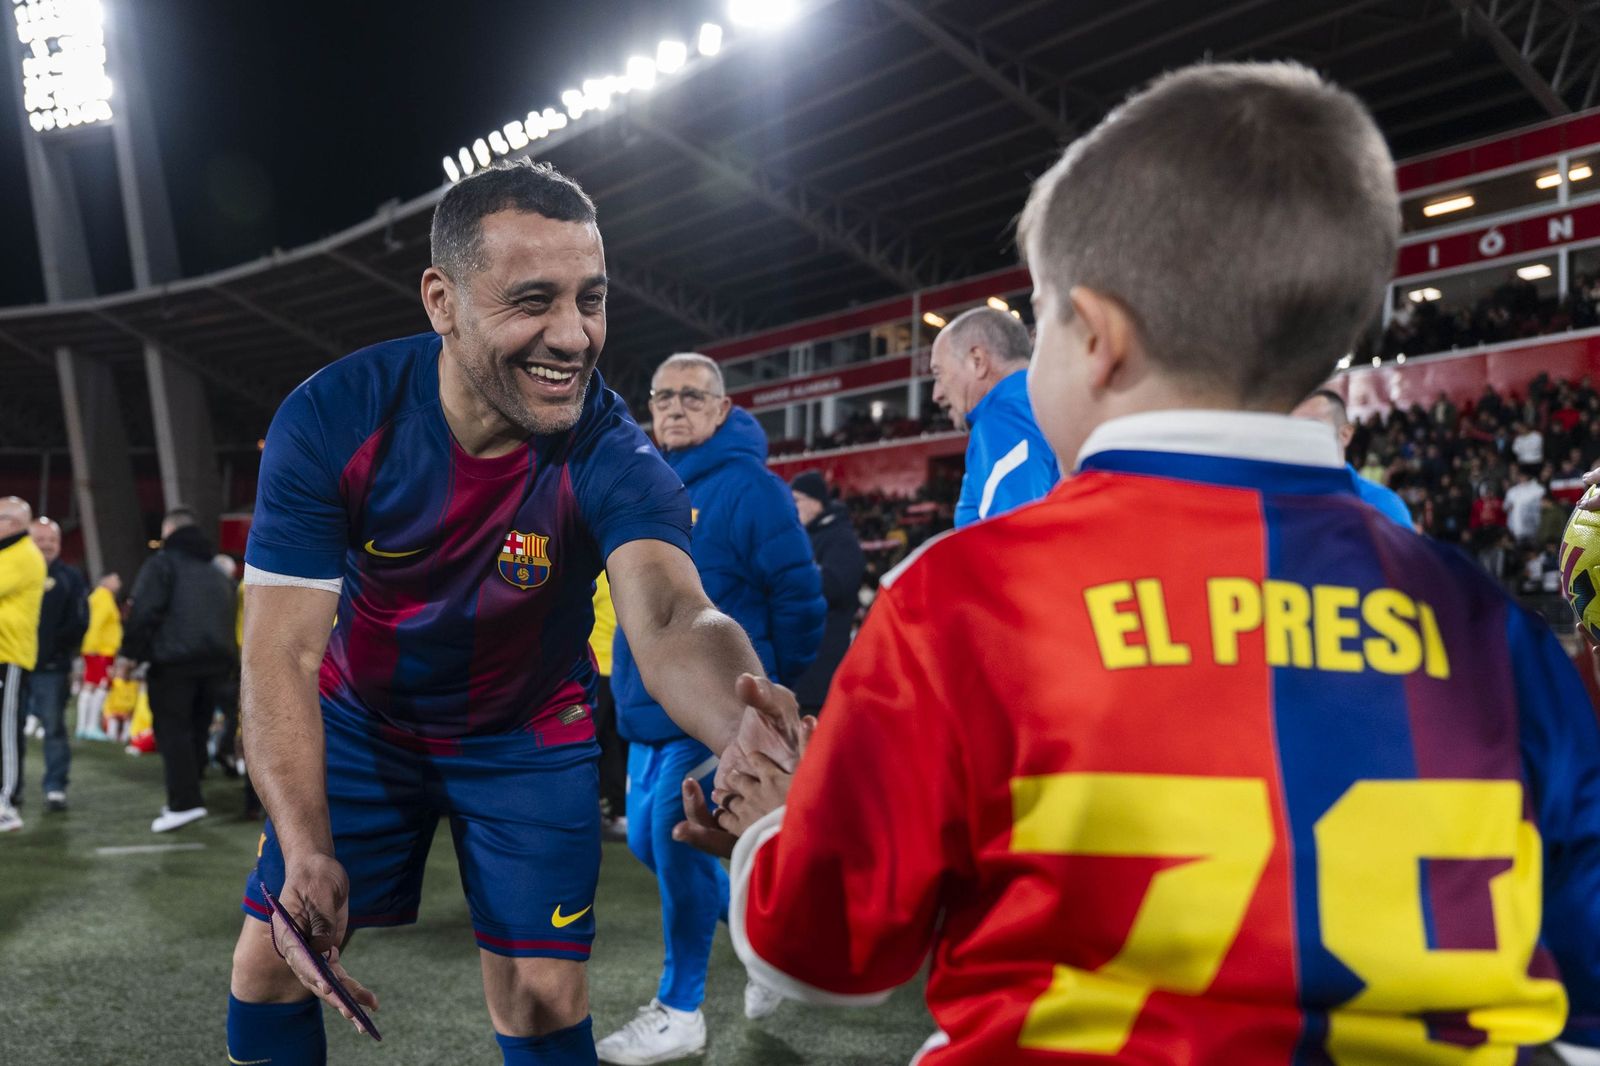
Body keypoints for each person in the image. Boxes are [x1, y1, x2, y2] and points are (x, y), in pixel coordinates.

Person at [681, 62, 1600, 1063]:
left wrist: (775, 823)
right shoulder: (1490, 628)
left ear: (1101, 338)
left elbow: (823, 949)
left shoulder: (962, 598)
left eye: (1042, 323)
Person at [227, 160, 785, 1066]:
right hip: (364, 723)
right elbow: (279, 653)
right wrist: (305, 842)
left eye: (591, 299)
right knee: (272, 964)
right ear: (442, 300)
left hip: (528, 735)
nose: (573, 336)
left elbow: (677, 615)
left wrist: (747, 728)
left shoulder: (615, 451)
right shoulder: (333, 418)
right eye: (534, 300)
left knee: (541, 992)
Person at [599, 353, 824, 1063]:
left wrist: (764, 688)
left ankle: (682, 1008)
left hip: (712, 713)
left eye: (692, 396)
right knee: (649, 842)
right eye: (662, 395)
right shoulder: (648, 485)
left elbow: (802, 599)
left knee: (673, 845)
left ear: (723, 409)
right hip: (645, 709)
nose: (673, 407)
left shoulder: (752, 489)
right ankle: (772, 941)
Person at [117, 508, 238, 832]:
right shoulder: (216, 571)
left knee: (173, 733)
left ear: (168, 531)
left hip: (174, 663)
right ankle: (191, 791)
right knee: (198, 729)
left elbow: (144, 611)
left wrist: (130, 655)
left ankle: (184, 803)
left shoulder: (163, 564)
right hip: (217, 663)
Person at [929, 306, 1059, 526]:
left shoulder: (1002, 419)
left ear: (977, 361)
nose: (937, 394)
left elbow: (1018, 542)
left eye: (938, 374)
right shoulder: (1048, 405)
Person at [787, 471, 865, 715]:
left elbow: (837, 586)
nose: (792, 507)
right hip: (799, 668)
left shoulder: (840, 538)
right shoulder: (802, 537)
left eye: (797, 500)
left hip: (822, 669)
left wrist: (790, 574)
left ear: (816, 502)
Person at [24, 517, 88, 813]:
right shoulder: (13, 571)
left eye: (52, 540)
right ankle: (8, 789)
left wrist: (51, 649)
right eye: (41, 539)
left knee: (53, 727)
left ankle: (55, 788)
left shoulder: (70, 577)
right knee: (6, 730)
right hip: (13, 665)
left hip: (51, 668)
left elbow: (80, 621)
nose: (47, 545)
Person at [1292, 389, 1414, 527]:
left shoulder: (1382, 504)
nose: (1300, 436)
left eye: (1312, 427)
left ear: (1345, 435)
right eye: (1293, 428)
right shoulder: (1279, 502)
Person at [0, 497, 46, 833]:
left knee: (6, 731)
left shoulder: (22, 554)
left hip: (10, 656)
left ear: (13, 522)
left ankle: (8, 803)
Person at [589, 569, 626, 840]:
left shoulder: (596, 570)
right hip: (622, 668)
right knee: (612, 742)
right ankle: (614, 811)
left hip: (598, 667)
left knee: (589, 741)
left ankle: (593, 811)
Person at [77, 572, 122, 740]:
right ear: (107, 581)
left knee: (92, 685)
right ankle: (89, 726)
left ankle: (85, 726)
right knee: (97, 686)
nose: (119, 582)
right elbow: (96, 623)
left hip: (99, 649)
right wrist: (93, 646)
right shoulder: (103, 598)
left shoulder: (101, 597)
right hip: (100, 650)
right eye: (116, 579)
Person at [1504, 467, 1547, 544]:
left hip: (1534, 528)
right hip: (1516, 528)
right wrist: (1509, 507)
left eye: (1523, 476)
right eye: (1520, 476)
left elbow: (1543, 505)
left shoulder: (1538, 489)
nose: (1521, 478)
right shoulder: (1512, 491)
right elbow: (1505, 507)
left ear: (1528, 476)